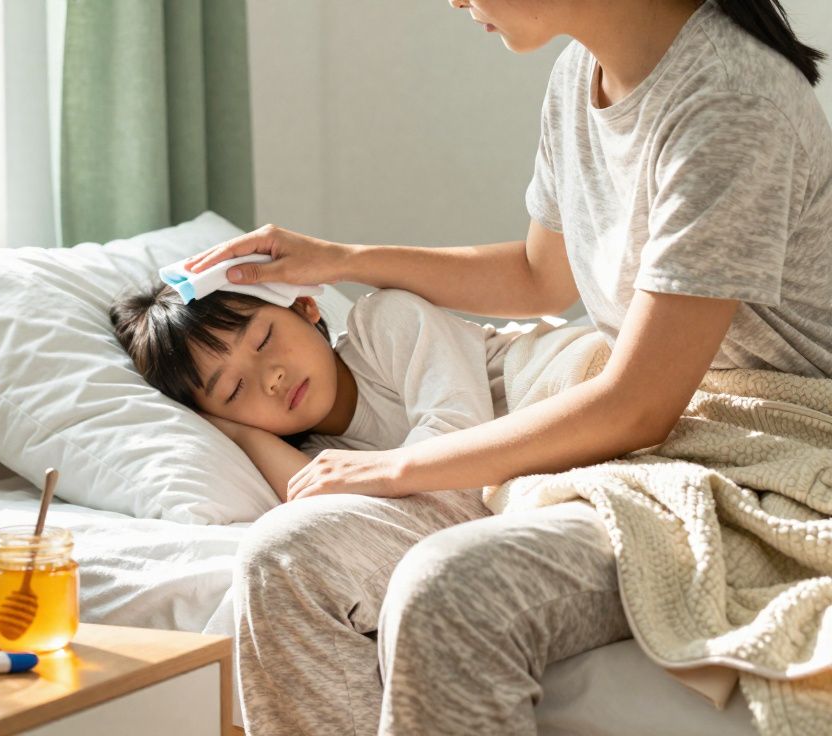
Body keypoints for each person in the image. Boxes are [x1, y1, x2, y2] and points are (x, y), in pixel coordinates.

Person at [185, 0, 832, 733]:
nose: (454, 1)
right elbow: (537, 278)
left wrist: (394, 469)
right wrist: (344, 260)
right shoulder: (577, 78)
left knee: (448, 591)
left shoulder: (731, 103)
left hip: (763, 446)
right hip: (648, 445)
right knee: (280, 561)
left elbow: (638, 405)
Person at [109, 282, 537, 500]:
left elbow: (463, 436)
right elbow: (320, 509)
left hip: (563, 379)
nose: (270, 377)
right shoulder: (319, 455)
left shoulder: (382, 324)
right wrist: (241, 435)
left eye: (262, 341)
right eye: (235, 390)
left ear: (303, 305)